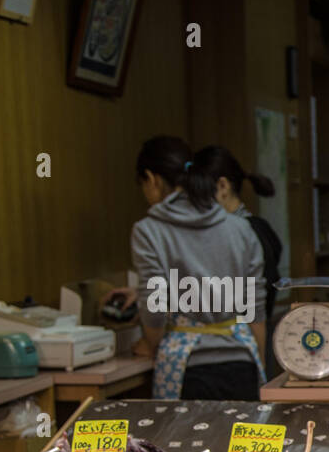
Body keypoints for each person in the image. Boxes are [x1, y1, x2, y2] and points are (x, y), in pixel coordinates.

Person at [106, 136, 267, 400]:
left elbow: (154, 305)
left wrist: (152, 344)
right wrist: (258, 364)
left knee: (187, 442)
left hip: (185, 370)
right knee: (237, 441)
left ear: (152, 179)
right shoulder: (240, 229)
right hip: (243, 364)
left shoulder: (149, 231)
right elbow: (255, 311)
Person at [195, 145, 284, 331]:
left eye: (198, 191)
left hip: (243, 339)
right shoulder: (260, 227)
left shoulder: (241, 235)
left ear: (222, 186)